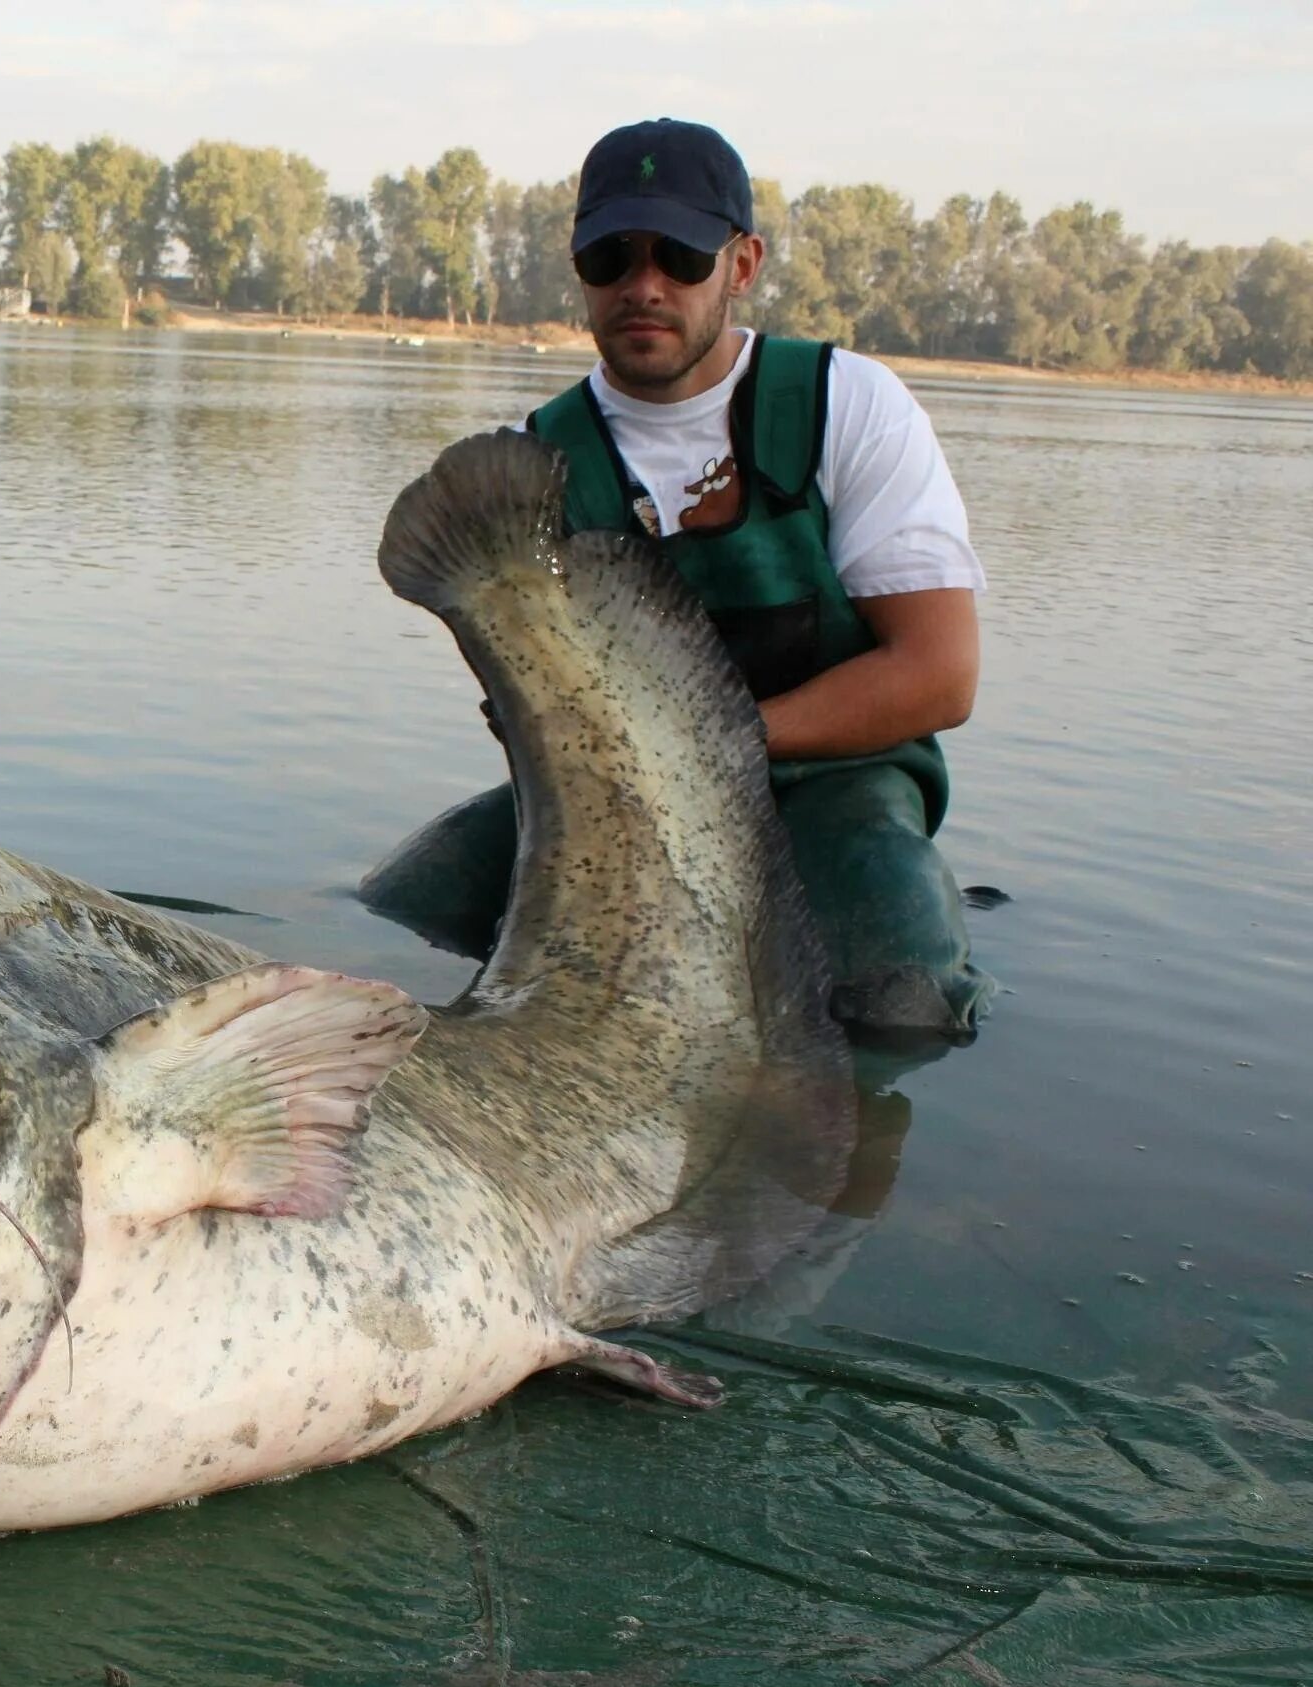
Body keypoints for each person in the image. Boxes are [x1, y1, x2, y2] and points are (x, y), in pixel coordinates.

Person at [360, 117, 995, 1040]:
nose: (643, 286)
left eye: (682, 256)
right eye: (611, 256)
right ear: (579, 267)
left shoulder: (847, 406)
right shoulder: (542, 459)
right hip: (619, 798)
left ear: (742, 264)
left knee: (899, 1003)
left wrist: (715, 746)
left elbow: (940, 675)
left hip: (835, 787)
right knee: (413, 907)